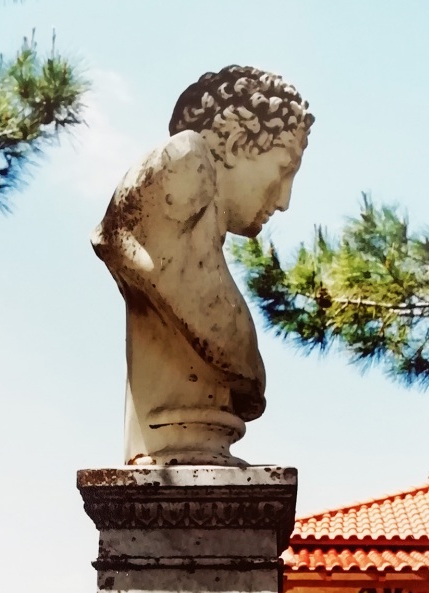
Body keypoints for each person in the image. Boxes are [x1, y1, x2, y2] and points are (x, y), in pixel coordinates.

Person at [92, 65, 313, 465]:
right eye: (284, 170)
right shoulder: (185, 156)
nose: (284, 200)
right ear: (237, 144)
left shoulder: (205, 256)